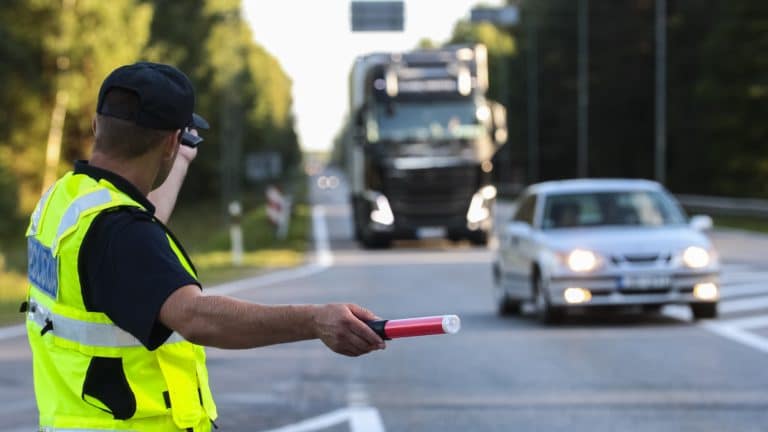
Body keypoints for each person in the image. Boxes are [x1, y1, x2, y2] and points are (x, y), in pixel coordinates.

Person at [23, 62, 385, 431]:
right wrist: (315, 320)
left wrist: (178, 159)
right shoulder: (120, 233)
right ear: (169, 141)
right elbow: (195, 316)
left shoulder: (66, 201)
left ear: (97, 126)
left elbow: (135, 256)